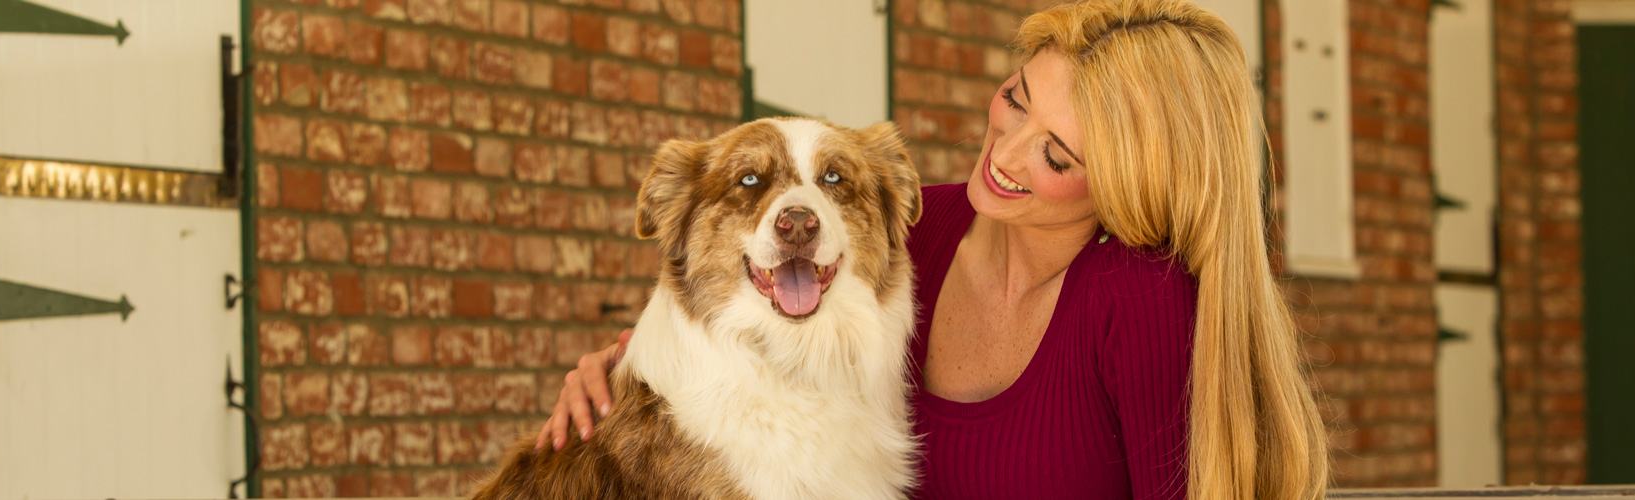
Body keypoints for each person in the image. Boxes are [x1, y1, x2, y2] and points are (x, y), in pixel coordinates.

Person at [535, 0, 1330, 498]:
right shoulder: (914, 230)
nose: (1007, 155)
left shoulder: (1141, 299)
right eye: (1016, 100)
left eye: (1057, 156)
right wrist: (624, 373)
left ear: (1131, 190)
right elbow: (759, 327)